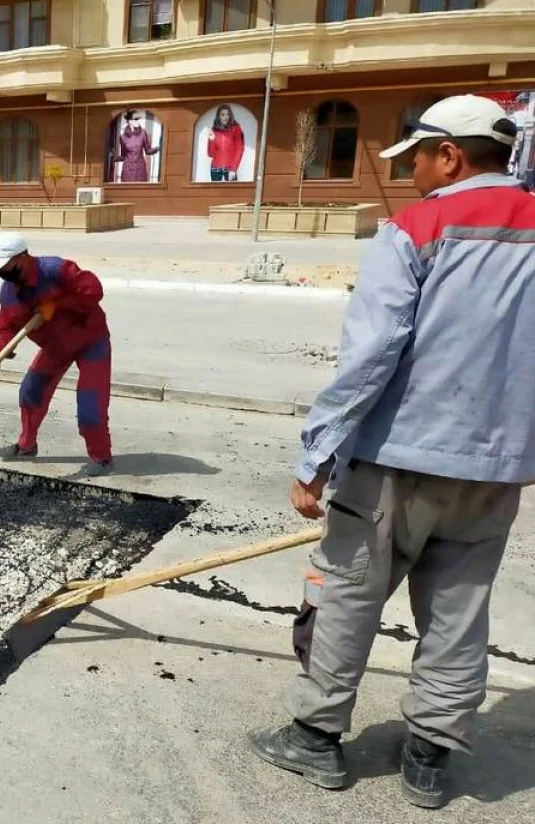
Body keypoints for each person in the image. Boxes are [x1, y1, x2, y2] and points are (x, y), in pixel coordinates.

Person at [248, 96, 531, 810]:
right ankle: (430, 757)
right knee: (461, 606)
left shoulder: (416, 229)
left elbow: (371, 354)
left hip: (396, 459)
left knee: (347, 594)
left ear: (451, 156)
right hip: (496, 470)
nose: (413, 179)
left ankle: (315, 737)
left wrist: (317, 452)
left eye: (418, 163)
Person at [0, 232, 112, 476]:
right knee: (31, 391)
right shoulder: (9, 292)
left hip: (90, 340)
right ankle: (26, 446)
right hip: (55, 347)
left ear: (22, 258)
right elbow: (7, 327)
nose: (1, 272)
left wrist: (57, 303)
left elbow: (94, 290)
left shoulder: (55, 269)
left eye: (4, 265)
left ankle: (101, 457)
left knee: (90, 404)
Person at [113, 110, 160, 183]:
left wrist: (158, 148)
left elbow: (148, 151)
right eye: (136, 119)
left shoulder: (143, 133)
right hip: (127, 169)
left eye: (138, 119)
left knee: (140, 190)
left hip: (140, 168)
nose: (138, 121)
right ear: (129, 121)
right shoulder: (123, 137)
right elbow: (123, 156)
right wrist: (113, 158)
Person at [206, 104, 246, 182]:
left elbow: (239, 149)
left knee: (232, 193)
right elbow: (211, 154)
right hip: (215, 170)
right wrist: (212, 140)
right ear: (218, 116)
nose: (225, 117)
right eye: (223, 114)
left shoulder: (236, 129)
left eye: (228, 114)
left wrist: (233, 169)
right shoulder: (214, 130)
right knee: (216, 194)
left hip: (230, 170)